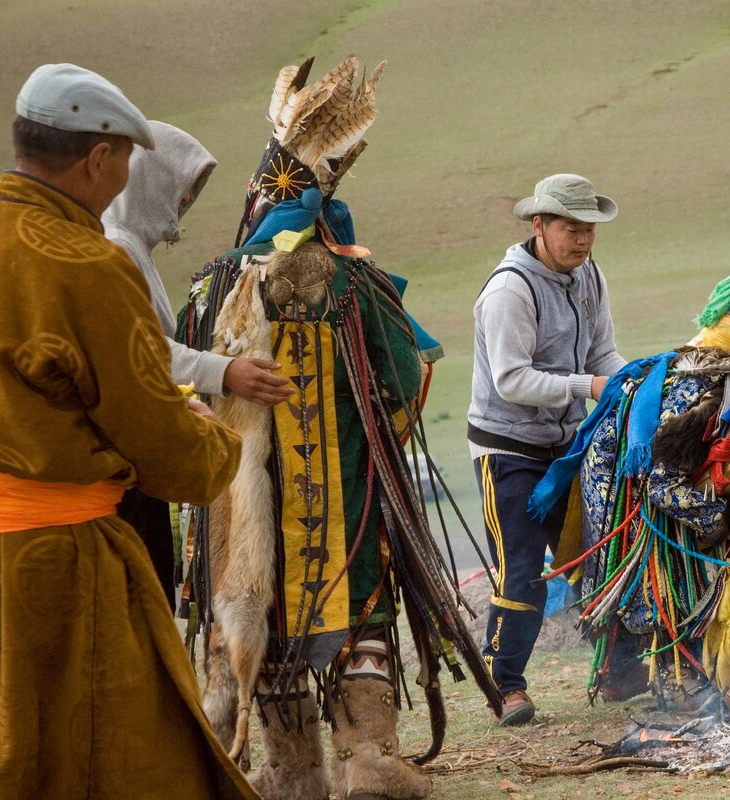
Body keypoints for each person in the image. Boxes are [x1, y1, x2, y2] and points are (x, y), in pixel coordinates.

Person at [178, 56, 500, 800]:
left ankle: (291, 769)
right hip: (346, 497)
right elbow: (401, 378)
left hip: (240, 504)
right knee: (357, 604)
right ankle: (370, 759)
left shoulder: (212, 283)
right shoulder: (356, 281)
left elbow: (173, 372)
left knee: (261, 609)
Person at [0, 63, 254, 799]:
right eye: (125, 165)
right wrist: (211, 435)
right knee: (109, 767)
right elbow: (169, 454)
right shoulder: (87, 266)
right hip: (56, 579)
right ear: (99, 157)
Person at [103, 120, 292, 609]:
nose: (184, 204)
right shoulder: (116, 248)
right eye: (179, 190)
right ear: (149, 180)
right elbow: (140, 349)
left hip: (137, 458)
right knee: (144, 600)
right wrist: (224, 372)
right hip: (123, 465)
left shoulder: (131, 248)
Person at [468, 173, 626, 725]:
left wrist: (628, 388)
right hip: (506, 451)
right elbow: (512, 380)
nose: (581, 240)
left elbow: (604, 353)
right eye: (570, 228)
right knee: (521, 573)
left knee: (604, 556)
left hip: (569, 446)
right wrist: (589, 388)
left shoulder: (589, 276)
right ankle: (506, 687)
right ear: (539, 226)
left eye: (589, 229)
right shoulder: (511, 290)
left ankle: (621, 670)